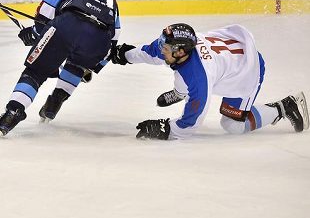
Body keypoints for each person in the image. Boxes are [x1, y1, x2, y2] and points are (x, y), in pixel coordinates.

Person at [0, 0, 121, 137]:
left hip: (68, 25)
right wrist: (94, 65)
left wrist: (33, 34)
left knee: (35, 72)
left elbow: (44, 17)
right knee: (76, 66)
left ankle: (12, 113)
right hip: (100, 41)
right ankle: (56, 101)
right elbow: (114, 38)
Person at [111, 23, 308, 140]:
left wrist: (166, 128)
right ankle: (181, 93)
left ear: (180, 52)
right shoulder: (174, 47)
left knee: (232, 125)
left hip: (247, 68)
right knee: (180, 75)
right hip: (226, 57)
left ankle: (285, 107)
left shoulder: (198, 78)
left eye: (165, 46)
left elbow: (191, 123)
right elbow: (150, 53)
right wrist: (124, 54)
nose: (161, 47)